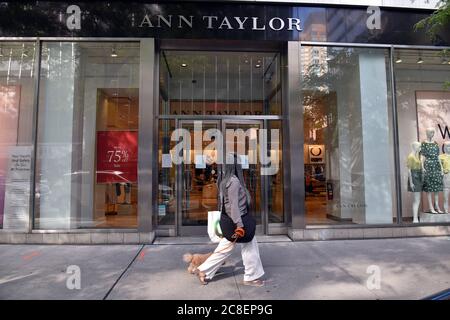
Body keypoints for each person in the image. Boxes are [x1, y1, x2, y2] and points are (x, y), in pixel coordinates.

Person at [196, 153, 265, 287]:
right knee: (249, 247)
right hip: (236, 221)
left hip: (229, 220)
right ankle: (251, 276)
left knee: (225, 248)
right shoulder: (233, 181)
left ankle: (203, 270)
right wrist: (239, 225)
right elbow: (233, 206)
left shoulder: (223, 180)